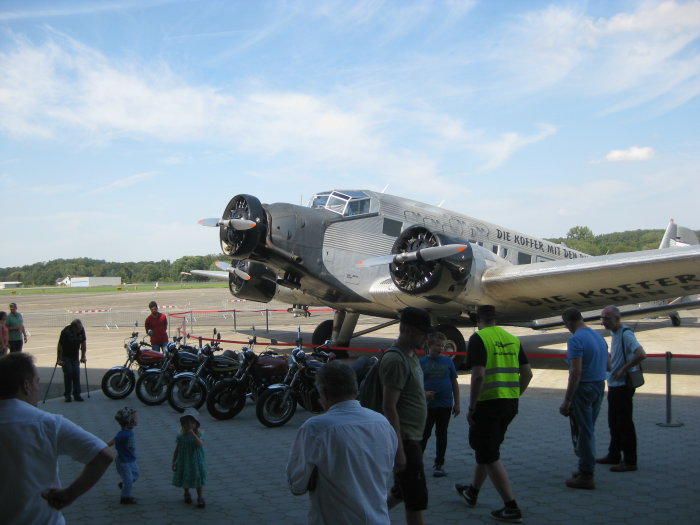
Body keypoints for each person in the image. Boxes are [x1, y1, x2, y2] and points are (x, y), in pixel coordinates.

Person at [0, 352, 113, 525]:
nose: (38, 389)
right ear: (26, 386)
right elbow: (103, 456)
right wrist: (69, 494)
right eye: (37, 382)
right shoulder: (47, 423)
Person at [287, 361, 398, 525]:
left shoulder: (315, 429)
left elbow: (297, 486)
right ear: (356, 389)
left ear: (324, 393)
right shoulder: (382, 423)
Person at [454, 305, 532, 523]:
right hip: (509, 403)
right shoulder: (512, 339)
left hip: (488, 404)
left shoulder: (479, 339)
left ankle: (511, 506)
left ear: (477, 320)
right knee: (487, 448)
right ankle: (472, 492)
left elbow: (478, 375)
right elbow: (527, 373)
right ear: (495, 319)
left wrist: (472, 406)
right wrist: (515, 394)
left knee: (489, 454)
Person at [381, 306, 431, 525]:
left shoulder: (411, 356)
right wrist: (399, 450)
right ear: (408, 330)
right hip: (406, 439)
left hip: (413, 438)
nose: (426, 338)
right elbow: (389, 407)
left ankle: (363, 518)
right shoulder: (396, 360)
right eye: (423, 333)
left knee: (402, 491)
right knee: (416, 500)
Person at [559, 307, 608, 490]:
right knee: (588, 428)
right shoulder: (598, 336)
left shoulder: (575, 339)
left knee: (584, 431)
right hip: (599, 386)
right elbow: (609, 364)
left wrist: (567, 400)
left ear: (568, 322)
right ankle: (583, 467)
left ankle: (587, 474)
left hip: (584, 389)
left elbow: (576, 371)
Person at [597, 305, 646, 472]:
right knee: (614, 422)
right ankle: (614, 454)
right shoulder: (615, 333)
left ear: (617, 319)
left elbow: (641, 354)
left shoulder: (626, 334)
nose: (603, 322)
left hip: (623, 386)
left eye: (607, 319)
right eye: (602, 318)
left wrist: (623, 369)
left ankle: (630, 461)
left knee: (625, 424)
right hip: (614, 385)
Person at [420, 331, 460, 478]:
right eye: (437, 345)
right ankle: (417, 462)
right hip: (428, 405)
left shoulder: (448, 361)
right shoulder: (422, 362)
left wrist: (457, 403)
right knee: (424, 434)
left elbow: (454, 382)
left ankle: (439, 463)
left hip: (445, 404)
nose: (441, 348)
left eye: (443, 346)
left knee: (442, 434)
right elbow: (416, 384)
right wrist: (424, 393)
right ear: (429, 345)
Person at [172, 408, 207, 508]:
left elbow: (200, 444)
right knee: (185, 476)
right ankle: (186, 492)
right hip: (184, 461)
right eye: (186, 423)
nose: (188, 425)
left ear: (196, 424)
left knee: (198, 479)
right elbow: (177, 449)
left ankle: (200, 497)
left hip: (196, 461)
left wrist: (193, 434)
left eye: (191, 422)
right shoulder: (181, 436)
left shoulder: (199, 434)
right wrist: (174, 461)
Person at [107, 407, 140, 504]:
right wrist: (102, 446)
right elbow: (113, 441)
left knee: (136, 474)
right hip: (123, 461)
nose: (137, 419)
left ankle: (124, 484)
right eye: (135, 418)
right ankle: (125, 497)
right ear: (129, 421)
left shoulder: (129, 432)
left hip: (130, 459)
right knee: (129, 479)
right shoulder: (123, 434)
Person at [57, 319, 87, 402]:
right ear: (74, 327)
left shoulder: (81, 330)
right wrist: (59, 359)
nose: (80, 330)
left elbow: (83, 343)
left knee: (76, 373)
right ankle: (67, 395)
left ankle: (77, 394)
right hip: (65, 356)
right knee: (69, 373)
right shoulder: (65, 332)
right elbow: (60, 346)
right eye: (78, 329)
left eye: (81, 328)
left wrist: (83, 356)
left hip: (75, 355)